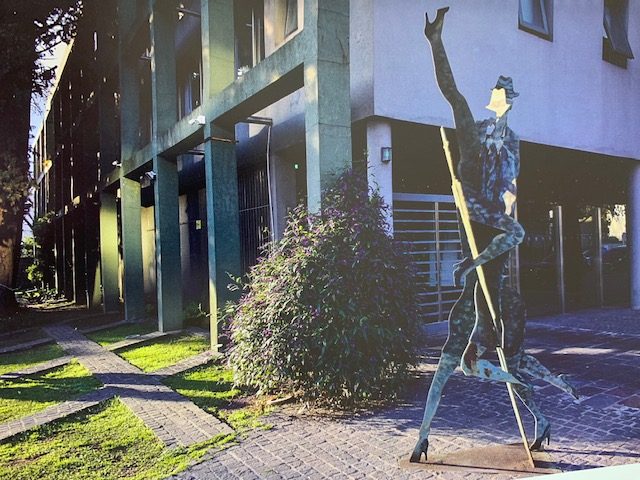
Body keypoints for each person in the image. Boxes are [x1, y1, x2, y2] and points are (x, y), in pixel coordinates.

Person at [410, 7, 578, 464]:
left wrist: (487, 236)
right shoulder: (472, 134)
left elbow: (511, 198)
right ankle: (423, 436)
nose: (496, 100)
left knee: (504, 359)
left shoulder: (506, 155)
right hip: (473, 260)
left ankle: (539, 416)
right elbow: (453, 93)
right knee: (453, 362)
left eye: (502, 96)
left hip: (492, 269)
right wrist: (435, 42)